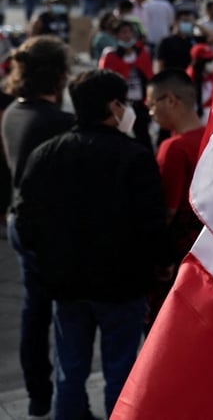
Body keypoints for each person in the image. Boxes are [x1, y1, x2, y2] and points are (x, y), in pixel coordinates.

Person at [16, 69, 168, 420]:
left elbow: (24, 223)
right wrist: (160, 264)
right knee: (121, 372)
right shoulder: (134, 156)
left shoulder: (46, 154)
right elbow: (152, 224)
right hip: (122, 287)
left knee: (69, 371)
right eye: (124, 103)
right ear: (113, 106)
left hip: (65, 285)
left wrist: (47, 261)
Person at [2, 36, 74, 420]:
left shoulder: (12, 111)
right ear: (59, 77)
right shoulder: (59, 123)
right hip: (50, 229)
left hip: (19, 219)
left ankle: (38, 396)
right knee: (64, 316)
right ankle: (63, 398)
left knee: (34, 312)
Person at [145, 69, 205, 325]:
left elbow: (166, 212)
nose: (150, 113)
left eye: (151, 104)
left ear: (171, 100)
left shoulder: (174, 148)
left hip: (177, 258)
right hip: (209, 256)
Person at [99, 20, 154, 148]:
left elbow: (149, 78)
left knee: (144, 137)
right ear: (116, 36)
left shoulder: (142, 54)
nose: (127, 35)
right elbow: (105, 82)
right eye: (123, 32)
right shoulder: (110, 56)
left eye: (129, 32)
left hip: (140, 103)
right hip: (120, 105)